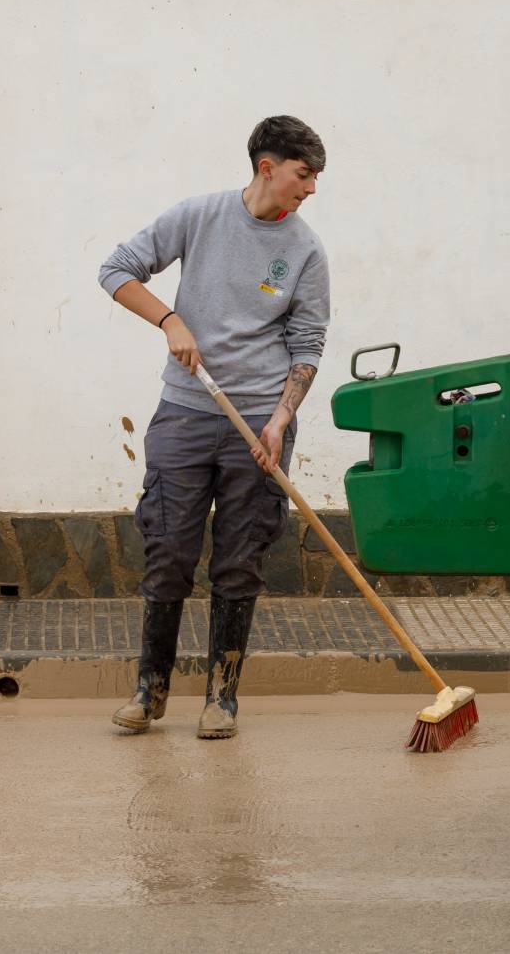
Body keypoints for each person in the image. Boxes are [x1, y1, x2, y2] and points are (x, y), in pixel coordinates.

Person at [97, 115, 329, 739]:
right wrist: (170, 320)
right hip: (185, 413)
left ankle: (221, 697)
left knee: (238, 560)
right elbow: (117, 270)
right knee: (169, 551)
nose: (310, 190)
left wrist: (281, 420)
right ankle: (151, 693)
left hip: (258, 422)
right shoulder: (198, 217)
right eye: (303, 176)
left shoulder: (305, 250)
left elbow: (307, 345)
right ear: (267, 167)